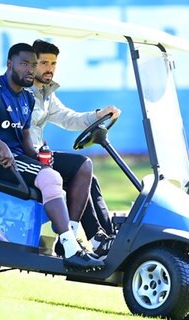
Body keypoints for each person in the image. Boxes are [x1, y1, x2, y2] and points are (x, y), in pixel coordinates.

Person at [0, 43, 103, 270]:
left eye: (33, 65)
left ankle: (75, 240)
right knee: (51, 178)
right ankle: (71, 248)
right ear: (9, 64)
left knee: (61, 171)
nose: (30, 70)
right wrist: (0, 145)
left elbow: (25, 137)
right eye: (24, 64)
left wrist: (37, 156)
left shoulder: (27, 98)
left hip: (14, 157)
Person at [29, 39, 121, 257]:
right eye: (44, 63)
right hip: (28, 157)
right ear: (32, 64)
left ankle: (104, 238)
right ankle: (67, 238)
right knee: (82, 164)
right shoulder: (23, 93)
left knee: (90, 180)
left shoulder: (45, 94)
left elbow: (68, 118)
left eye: (53, 64)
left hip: (39, 155)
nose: (49, 69)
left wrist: (97, 115)